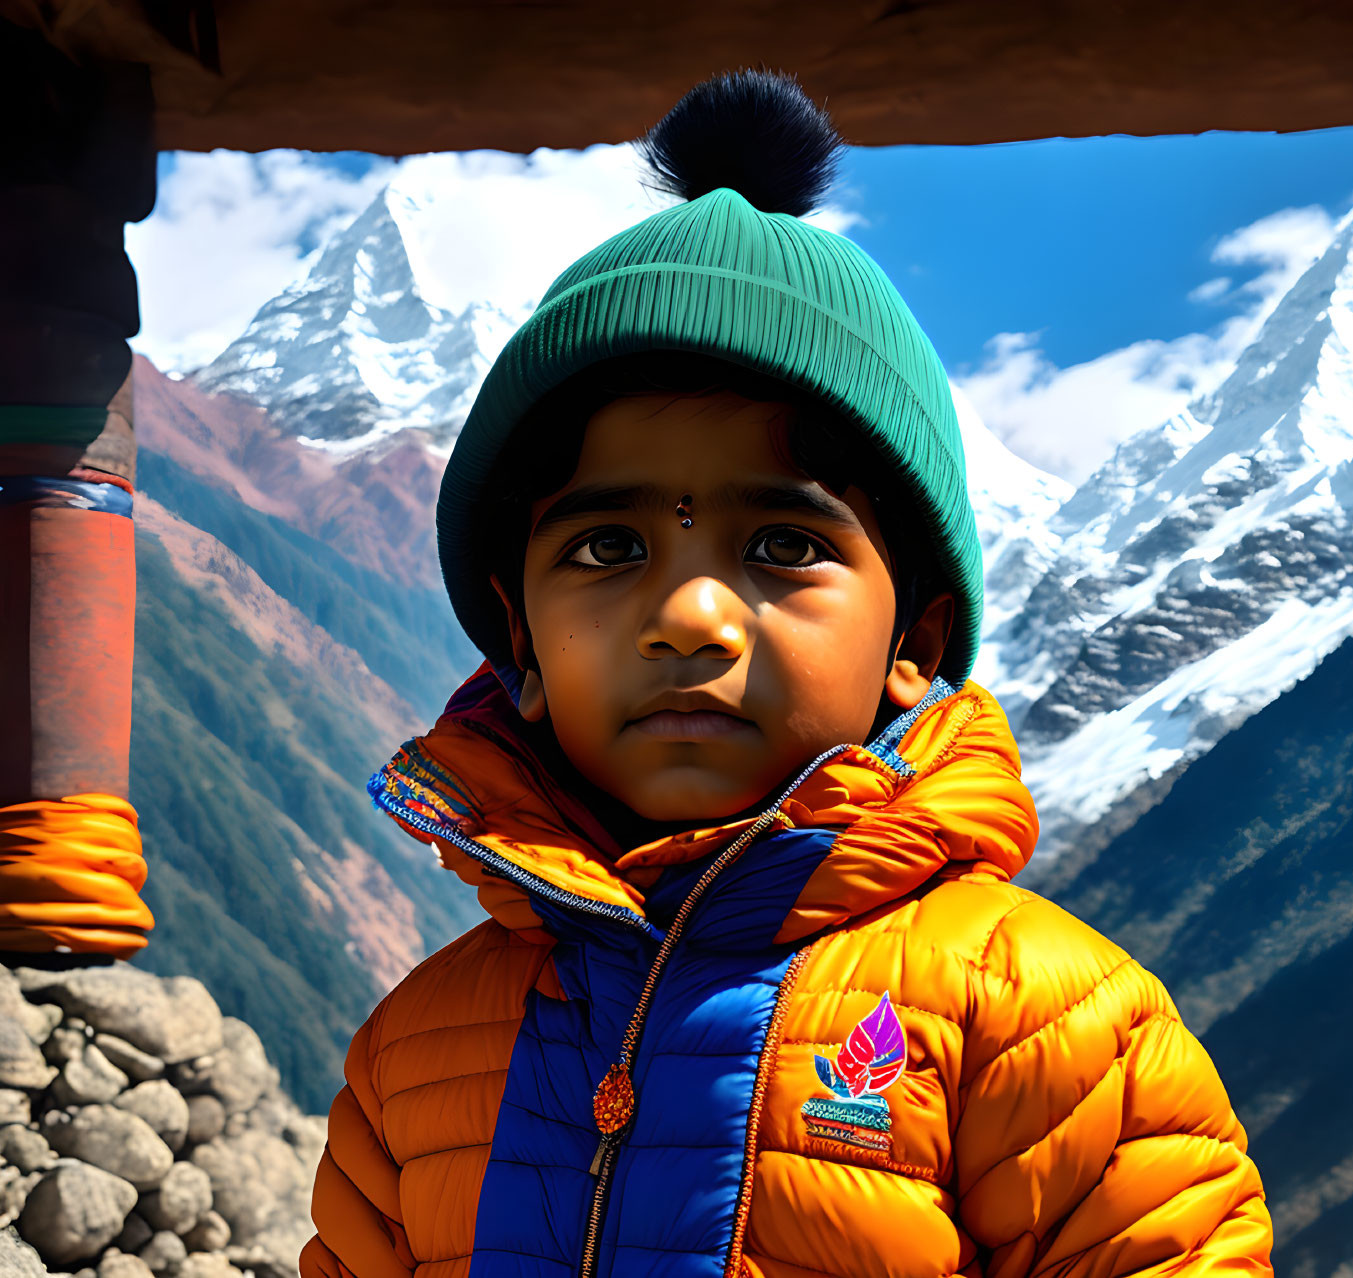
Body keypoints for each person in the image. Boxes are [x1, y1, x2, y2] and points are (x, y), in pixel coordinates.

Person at [299, 68, 1273, 1278]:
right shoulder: (416, 1052)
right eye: (607, 548)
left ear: (913, 643)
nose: (691, 617)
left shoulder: (1042, 1022)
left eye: (783, 548)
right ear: (520, 646)